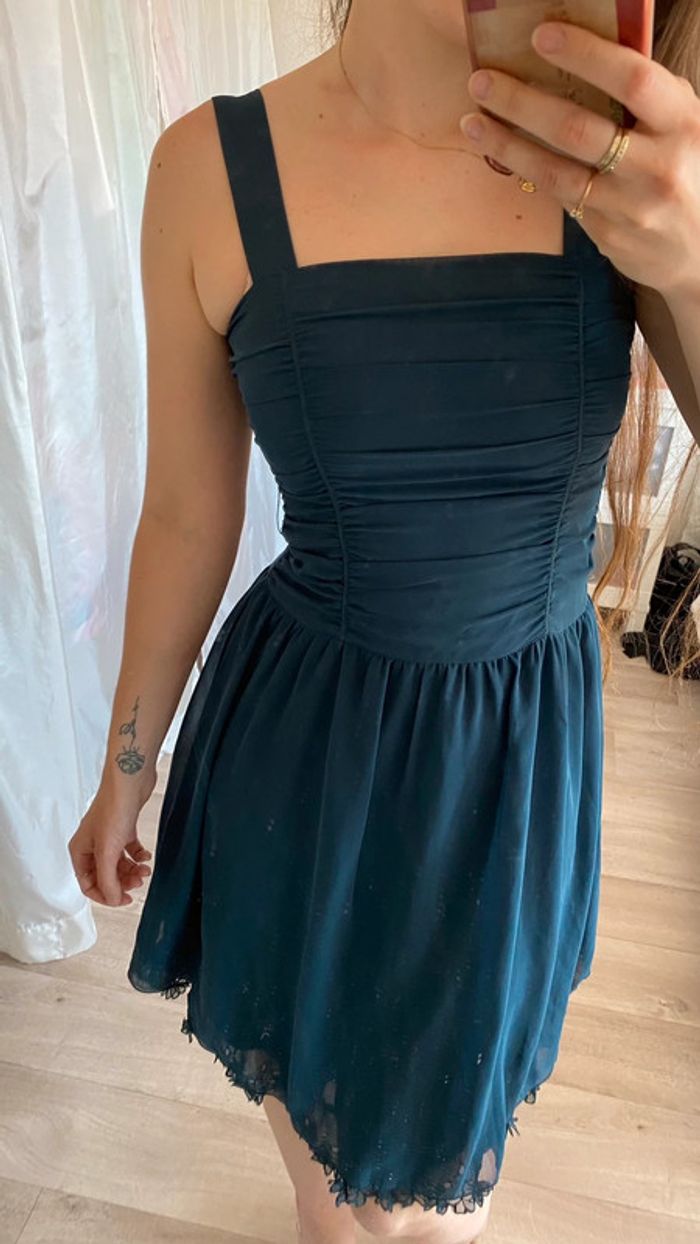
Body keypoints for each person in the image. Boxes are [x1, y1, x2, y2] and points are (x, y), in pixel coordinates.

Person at [68, 2, 700, 1241]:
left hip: (513, 774)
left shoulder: (634, 160)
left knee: (440, 1197)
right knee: (339, 1201)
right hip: (304, 762)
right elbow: (187, 515)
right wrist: (122, 771)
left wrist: (687, 256)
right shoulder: (205, 170)